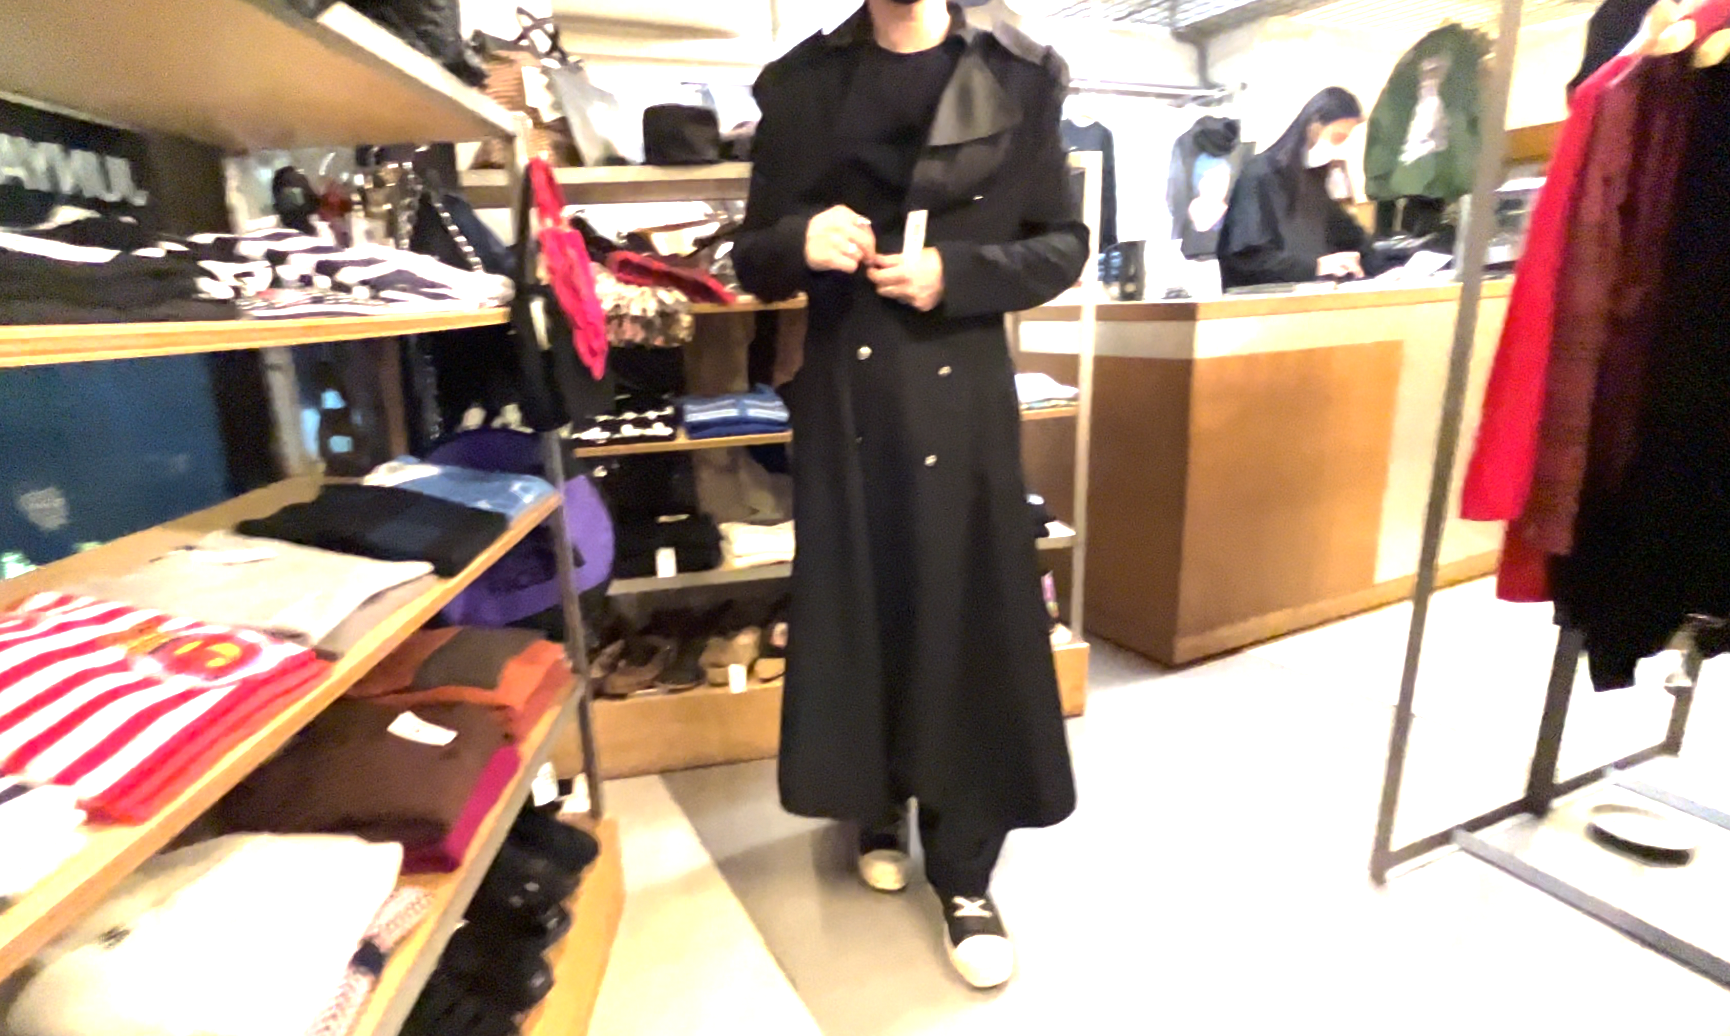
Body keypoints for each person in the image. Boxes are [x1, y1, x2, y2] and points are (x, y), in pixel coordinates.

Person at [731, 0, 1085, 990]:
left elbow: (1062, 244)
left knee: (964, 610)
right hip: (845, 396)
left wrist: (954, 273)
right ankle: (876, 806)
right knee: (864, 606)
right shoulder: (802, 84)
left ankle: (964, 871)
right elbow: (750, 253)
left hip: (961, 394)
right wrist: (799, 239)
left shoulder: (1018, 76)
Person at [1217, 86, 1383, 290]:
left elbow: (1352, 239)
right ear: (1313, 124)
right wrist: (1316, 266)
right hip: (1266, 301)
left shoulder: (1314, 182)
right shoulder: (1259, 175)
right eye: (1338, 137)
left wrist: (1384, 270)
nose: (1339, 146)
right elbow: (1245, 259)